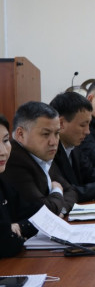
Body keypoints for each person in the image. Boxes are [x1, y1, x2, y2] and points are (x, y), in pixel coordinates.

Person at [3, 102, 78, 216]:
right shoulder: (13, 159)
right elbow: (43, 211)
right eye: (45, 134)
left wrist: (60, 209)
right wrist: (57, 191)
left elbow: (70, 191)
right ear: (20, 134)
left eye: (57, 133)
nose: (53, 142)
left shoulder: (40, 153)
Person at [0, 114, 39, 257]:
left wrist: (18, 227)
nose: (3, 152)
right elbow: (7, 244)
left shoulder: (2, 182)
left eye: (5, 141)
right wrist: (11, 232)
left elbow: (38, 214)